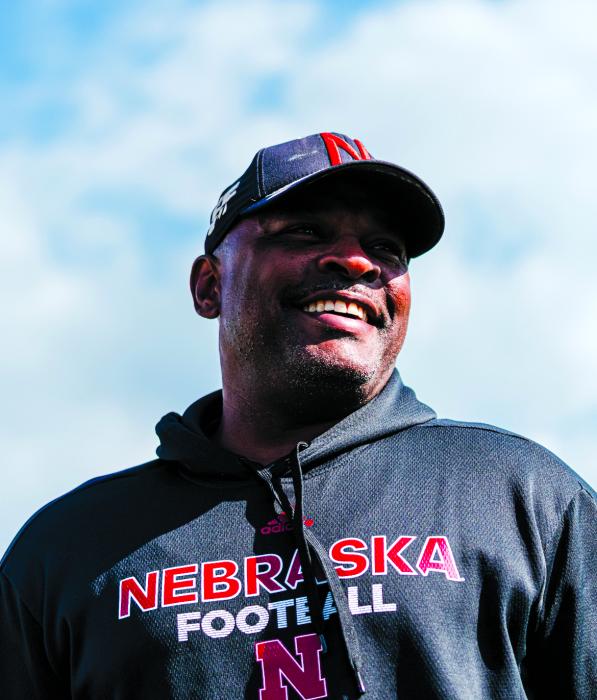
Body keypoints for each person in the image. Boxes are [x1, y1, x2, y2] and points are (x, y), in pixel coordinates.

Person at [1, 131, 595, 699]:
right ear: (209, 286)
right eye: (306, 231)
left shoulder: (524, 497)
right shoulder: (67, 551)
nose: (357, 262)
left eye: (386, 249)